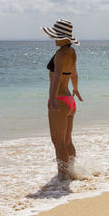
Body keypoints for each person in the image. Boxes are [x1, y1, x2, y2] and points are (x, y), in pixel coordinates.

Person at [41, 19, 83, 180]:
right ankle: (72, 172)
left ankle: (63, 178)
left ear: (62, 36)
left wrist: (52, 99)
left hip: (59, 100)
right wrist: (76, 89)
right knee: (67, 141)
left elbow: (57, 76)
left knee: (58, 142)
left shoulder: (60, 53)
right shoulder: (72, 52)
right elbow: (74, 74)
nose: (54, 39)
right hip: (69, 102)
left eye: (56, 36)